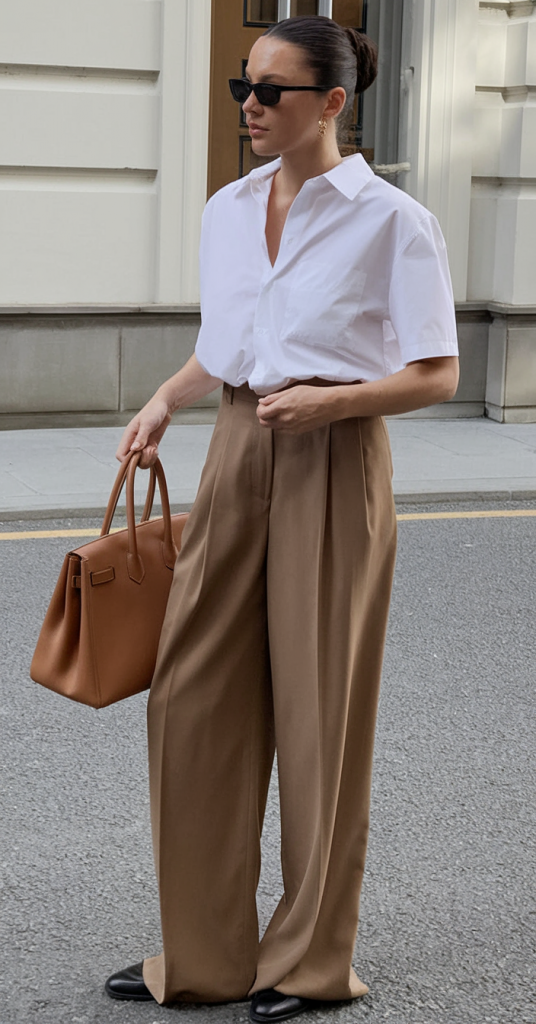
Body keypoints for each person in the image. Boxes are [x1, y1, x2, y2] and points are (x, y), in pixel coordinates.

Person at [104, 15, 459, 1022]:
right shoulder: (226, 210)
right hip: (234, 445)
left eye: (271, 91)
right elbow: (229, 341)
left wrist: (332, 407)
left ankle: (306, 961)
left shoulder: (393, 221)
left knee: (319, 711)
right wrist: (166, 398)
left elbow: (437, 372)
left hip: (332, 453)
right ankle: (204, 952)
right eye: (242, 88)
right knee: (189, 697)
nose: (250, 108)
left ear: (333, 102)